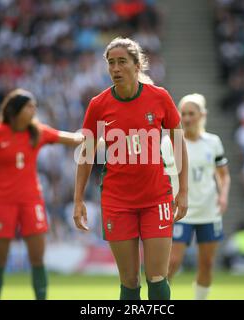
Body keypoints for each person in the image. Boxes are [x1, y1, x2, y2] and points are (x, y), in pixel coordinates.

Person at [73, 37, 188, 300]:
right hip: (117, 202)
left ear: (137, 65)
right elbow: (86, 155)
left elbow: (179, 145)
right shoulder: (98, 105)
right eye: (111, 63)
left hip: (156, 198)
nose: (115, 68)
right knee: (130, 282)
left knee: (157, 279)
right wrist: (78, 199)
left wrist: (183, 192)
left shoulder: (159, 98)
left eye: (122, 62)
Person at [0, 88, 84, 300]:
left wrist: (102, 139)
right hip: (4, 203)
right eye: (29, 106)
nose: (34, 110)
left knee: (38, 258)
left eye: (35, 107)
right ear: (15, 111)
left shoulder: (38, 131)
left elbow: (74, 139)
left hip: (32, 202)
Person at [167, 93, 231, 300]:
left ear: (202, 115)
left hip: (208, 211)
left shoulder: (213, 142)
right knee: (173, 262)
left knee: (207, 263)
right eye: (183, 113)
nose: (186, 118)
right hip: (180, 211)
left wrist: (223, 196)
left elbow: (224, 175)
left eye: (191, 113)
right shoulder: (169, 143)